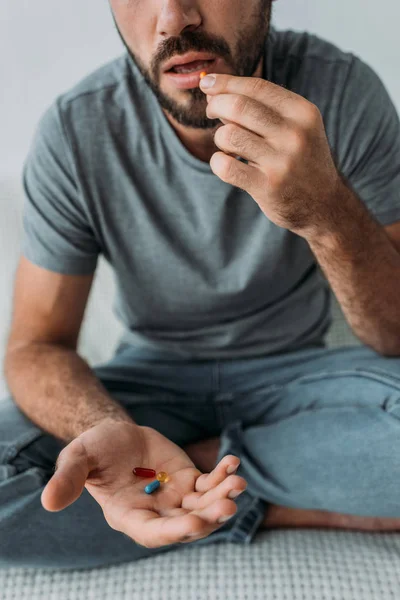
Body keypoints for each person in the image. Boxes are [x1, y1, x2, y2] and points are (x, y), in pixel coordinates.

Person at [1, 0, 400, 571]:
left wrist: (325, 212)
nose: (173, 18)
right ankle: (269, 498)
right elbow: (35, 345)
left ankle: (173, 479)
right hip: (150, 384)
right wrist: (105, 429)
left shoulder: (342, 93)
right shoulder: (75, 128)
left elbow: (394, 336)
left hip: (300, 375)